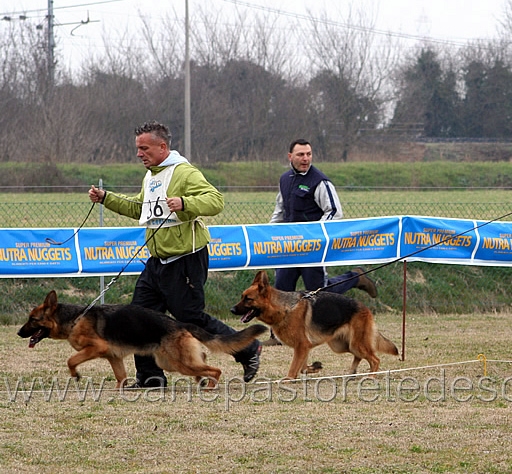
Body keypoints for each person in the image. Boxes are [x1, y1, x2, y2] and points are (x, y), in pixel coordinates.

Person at [88, 121, 261, 387]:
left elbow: (216, 201)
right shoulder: (152, 175)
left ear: (162, 146)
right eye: (137, 148)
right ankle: (150, 377)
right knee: (139, 319)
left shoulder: (184, 172)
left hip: (185, 261)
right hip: (157, 263)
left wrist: (185, 203)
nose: (139, 154)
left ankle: (248, 350)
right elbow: (140, 209)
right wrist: (106, 198)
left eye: (144, 148)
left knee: (190, 321)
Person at [266, 139, 378, 345]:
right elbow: (280, 211)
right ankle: (277, 336)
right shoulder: (284, 180)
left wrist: (314, 234)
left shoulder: (320, 182)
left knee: (320, 292)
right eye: (300, 155)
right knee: (281, 290)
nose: (305, 158)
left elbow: (334, 212)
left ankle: (355, 277)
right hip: (288, 248)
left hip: (313, 248)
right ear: (290, 157)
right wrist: (269, 233)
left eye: (308, 154)